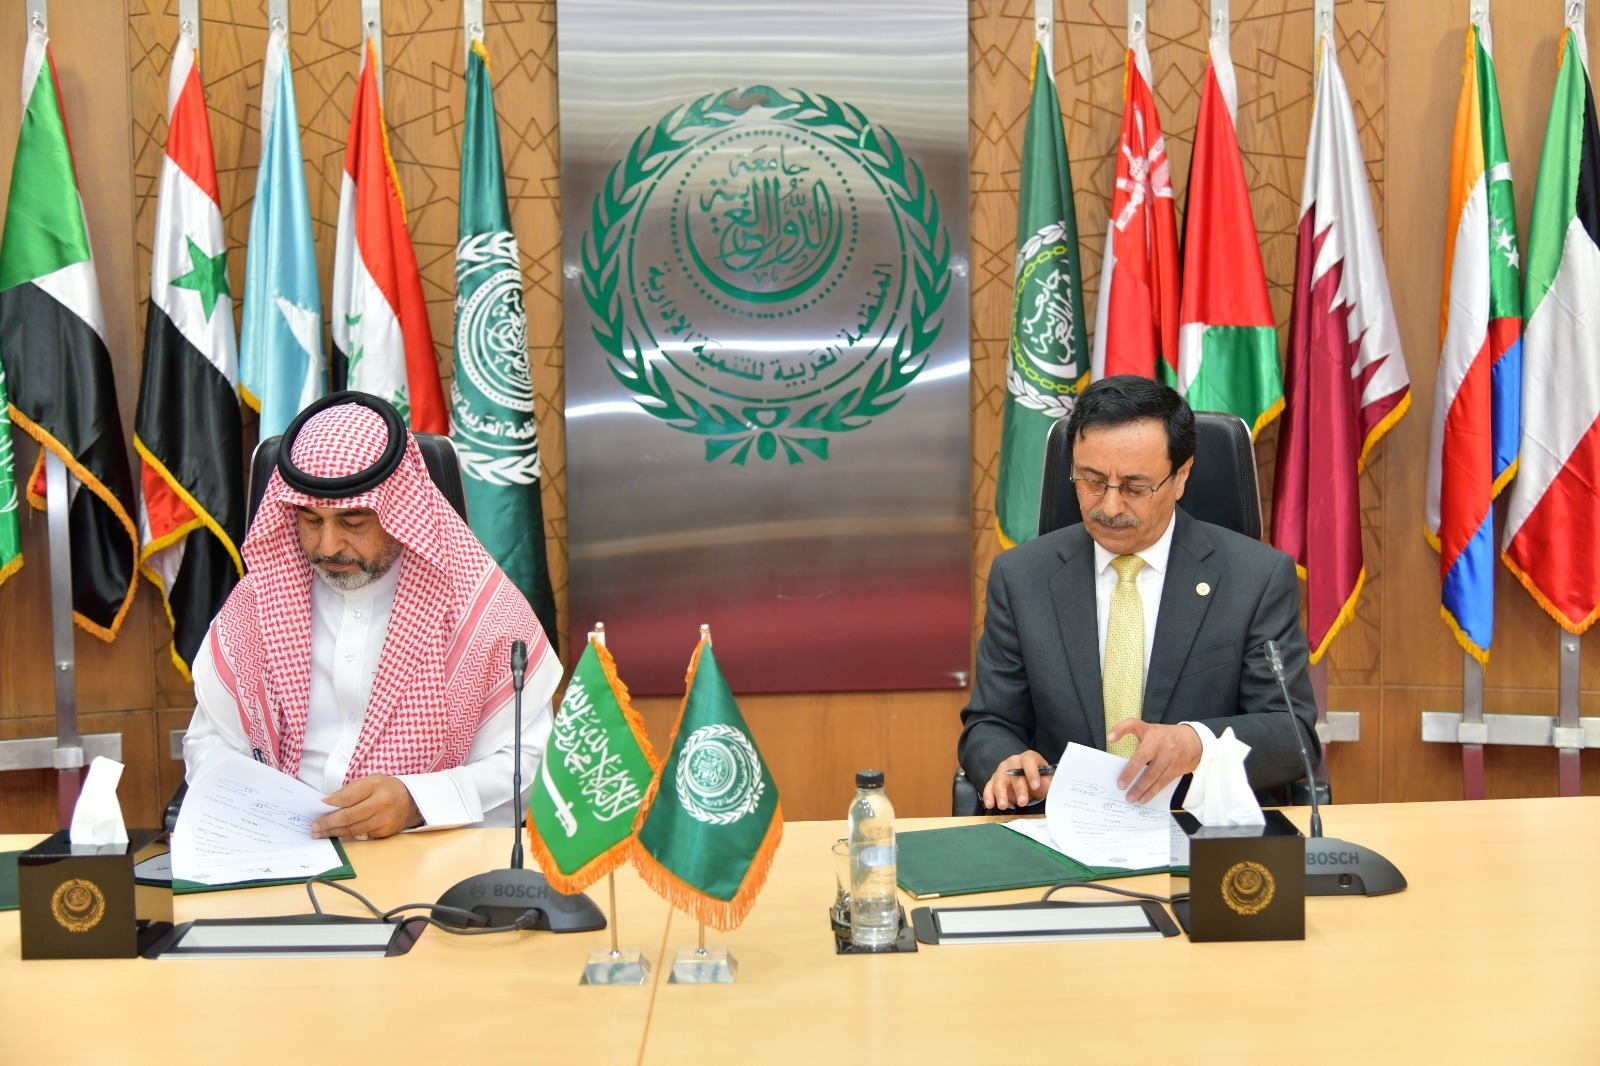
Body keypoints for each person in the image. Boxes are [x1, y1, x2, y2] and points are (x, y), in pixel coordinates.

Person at [182, 392, 561, 838]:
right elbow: (208, 742)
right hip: (281, 847)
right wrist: (258, 806)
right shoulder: (260, 602)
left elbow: (532, 761)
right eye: (310, 520)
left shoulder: (480, 612)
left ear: (401, 510)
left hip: (424, 852)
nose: (327, 546)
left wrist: (418, 801)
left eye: (354, 521)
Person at [960, 375, 1319, 811]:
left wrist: (1196, 744)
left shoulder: (1255, 578)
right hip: (1062, 825)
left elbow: (1292, 733)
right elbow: (990, 722)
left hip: (1196, 825)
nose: (1109, 507)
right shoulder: (1022, 578)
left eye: (1134, 487)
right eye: (1091, 481)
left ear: (1180, 476)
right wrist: (1009, 764)